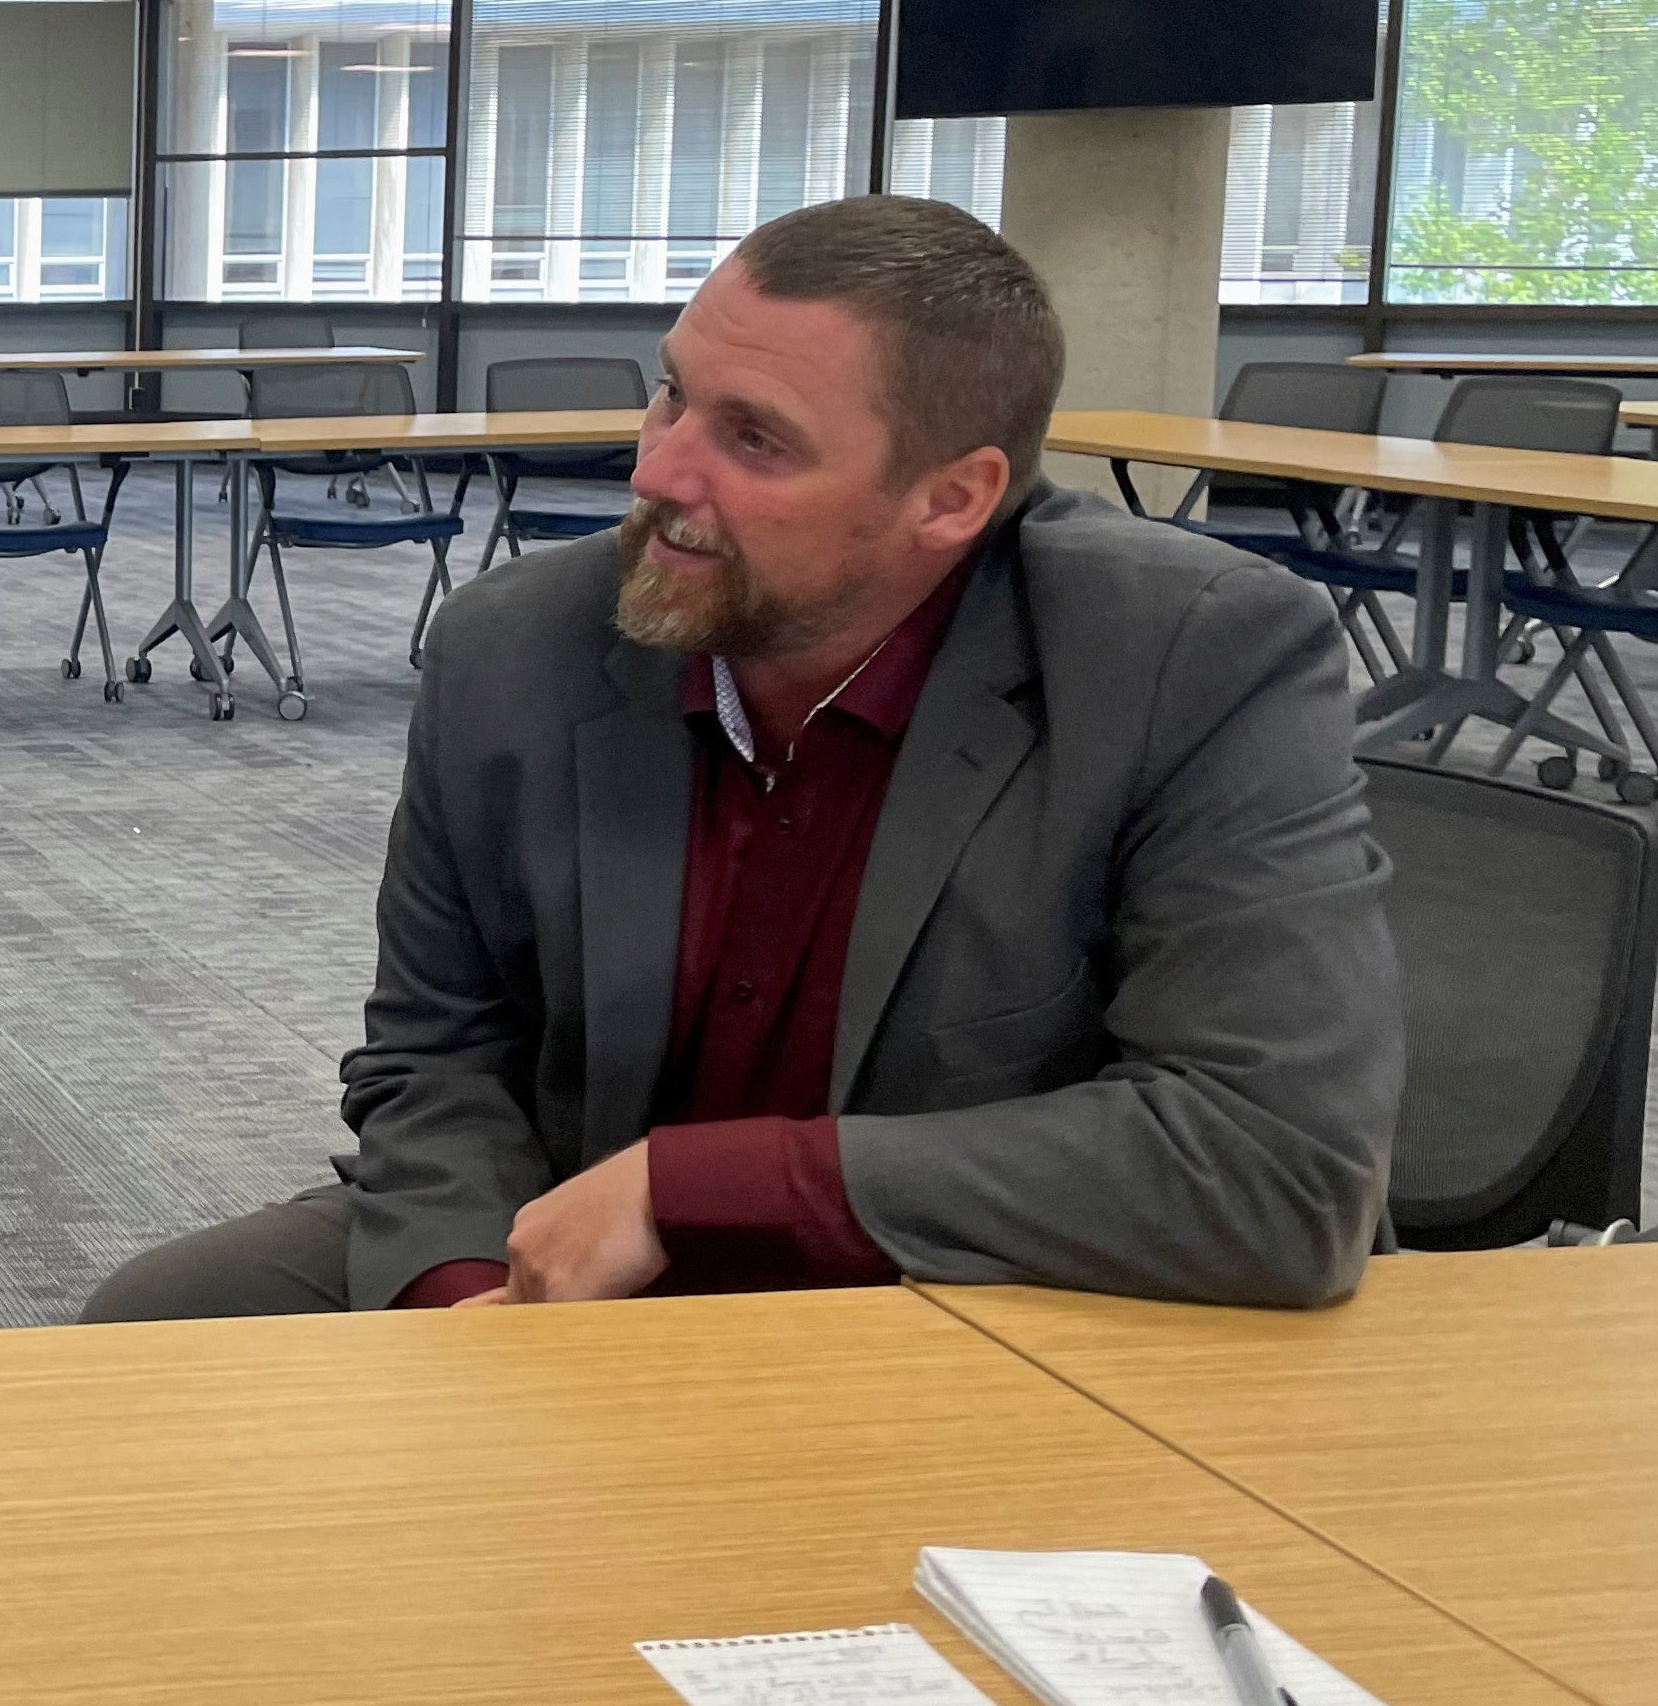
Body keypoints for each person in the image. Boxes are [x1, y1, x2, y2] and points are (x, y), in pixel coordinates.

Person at [88, 197, 1398, 1325]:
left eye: (754, 440)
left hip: (973, 1291)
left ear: (952, 498)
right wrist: (465, 1294)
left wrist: (696, 1185)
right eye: (671, 393)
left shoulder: (1188, 658)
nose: (658, 469)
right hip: (582, 1269)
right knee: (164, 1336)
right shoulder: (520, 647)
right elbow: (438, 1059)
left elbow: (1270, 1165)